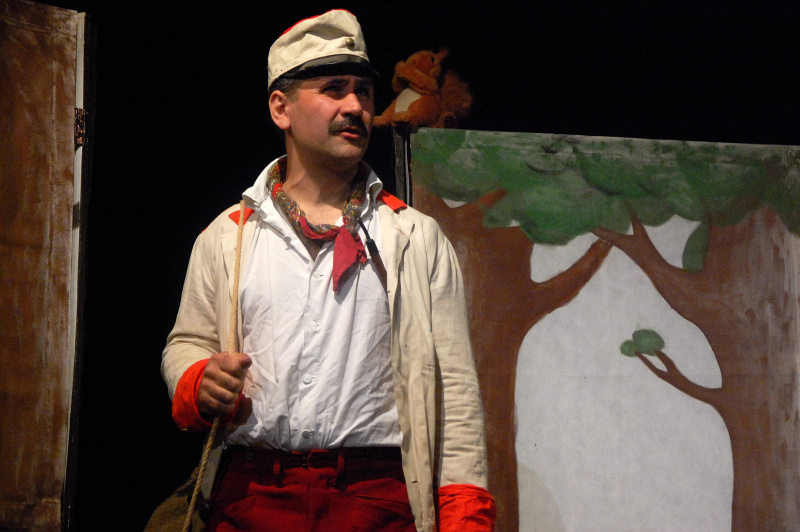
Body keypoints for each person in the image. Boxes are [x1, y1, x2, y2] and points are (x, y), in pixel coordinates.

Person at [161, 9, 496, 531]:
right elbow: (187, 342)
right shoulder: (229, 235)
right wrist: (199, 380)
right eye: (334, 89)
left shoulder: (414, 238)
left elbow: (454, 395)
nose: (355, 107)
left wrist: (465, 517)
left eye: (363, 91)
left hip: (375, 502)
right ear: (281, 107)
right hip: (251, 499)